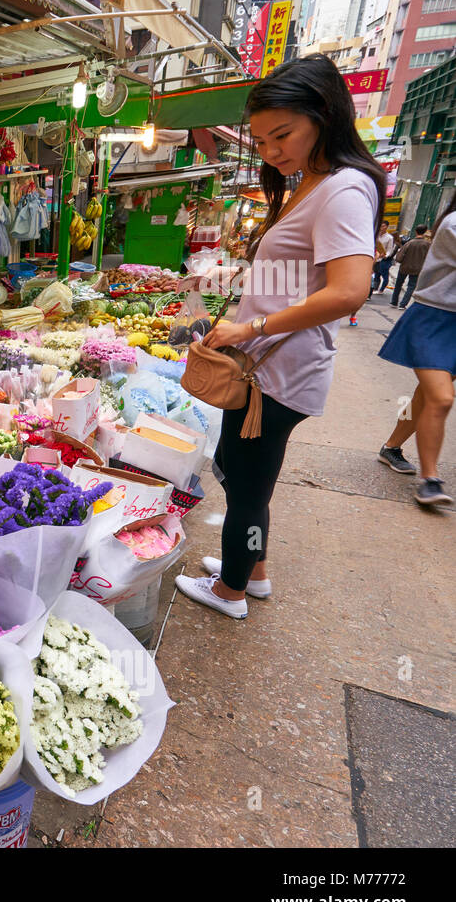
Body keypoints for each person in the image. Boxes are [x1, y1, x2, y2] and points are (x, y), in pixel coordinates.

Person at [174, 54, 384, 620]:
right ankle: (252, 572)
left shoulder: (341, 189)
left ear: (324, 114)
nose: (270, 152)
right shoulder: (309, 185)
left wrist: (251, 326)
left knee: (246, 487)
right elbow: (295, 280)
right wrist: (239, 296)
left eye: (282, 135)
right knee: (249, 479)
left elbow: (347, 291)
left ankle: (232, 593)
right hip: (265, 364)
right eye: (261, 140)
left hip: (277, 372)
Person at [376, 195, 456, 506]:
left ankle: (392, 446)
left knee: (425, 395)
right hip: (435, 318)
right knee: (441, 397)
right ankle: (430, 479)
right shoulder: (452, 224)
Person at [391, 225, 431, 308]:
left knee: (398, 284)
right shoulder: (427, 244)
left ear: (416, 231)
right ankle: (403, 304)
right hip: (417, 268)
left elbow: (399, 257)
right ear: (425, 231)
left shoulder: (409, 243)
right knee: (411, 286)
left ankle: (394, 302)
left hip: (404, 267)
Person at [372, 227, 396, 294]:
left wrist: (385, 255)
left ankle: (381, 290)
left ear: (387, 227)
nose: (381, 228)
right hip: (377, 258)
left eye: (383, 226)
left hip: (385, 259)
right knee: (376, 274)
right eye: (381, 226)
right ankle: (375, 288)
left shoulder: (389, 238)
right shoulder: (377, 235)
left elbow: (389, 250)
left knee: (384, 275)